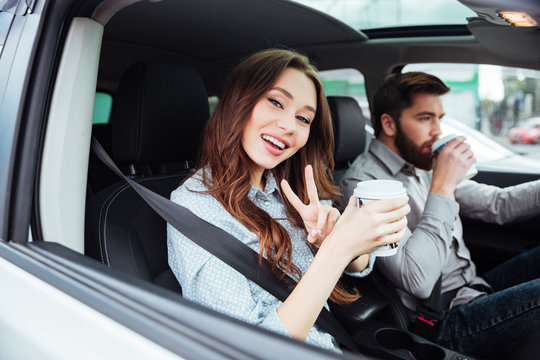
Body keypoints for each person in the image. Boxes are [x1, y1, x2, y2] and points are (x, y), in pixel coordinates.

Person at [167, 49, 409, 353]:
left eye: (304, 118)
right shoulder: (195, 206)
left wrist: (335, 243)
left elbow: (361, 266)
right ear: (239, 101)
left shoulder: (289, 187)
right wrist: (336, 251)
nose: (290, 126)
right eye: (276, 102)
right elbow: (244, 349)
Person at [340, 71, 540, 359]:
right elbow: (417, 281)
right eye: (425, 118)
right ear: (388, 123)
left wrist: (441, 181)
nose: (437, 131)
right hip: (441, 320)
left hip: (473, 288)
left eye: (439, 118)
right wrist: (443, 186)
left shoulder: (421, 164)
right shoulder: (363, 186)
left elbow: (498, 204)